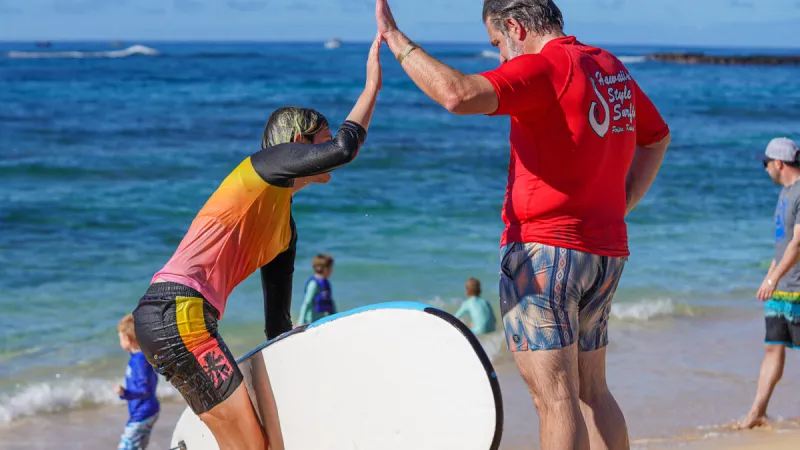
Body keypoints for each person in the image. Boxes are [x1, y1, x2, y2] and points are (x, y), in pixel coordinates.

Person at [374, 1, 671, 449]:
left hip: (542, 252)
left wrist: (395, 38)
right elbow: (656, 136)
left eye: (497, 44)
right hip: (606, 251)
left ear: (514, 26)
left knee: (554, 398)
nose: (499, 57)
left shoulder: (545, 67)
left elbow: (457, 93)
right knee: (594, 391)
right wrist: (623, 201)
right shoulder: (608, 66)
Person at [132, 35, 383, 450]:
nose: (327, 147)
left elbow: (277, 325)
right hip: (179, 314)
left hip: (171, 319)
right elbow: (345, 148)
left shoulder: (284, 230)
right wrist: (372, 88)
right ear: (297, 144)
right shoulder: (263, 167)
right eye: (321, 136)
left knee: (250, 445)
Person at [738, 137, 800, 429]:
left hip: (797, 289)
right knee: (773, 347)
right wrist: (770, 275)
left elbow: (799, 244)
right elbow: (784, 243)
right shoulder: (785, 193)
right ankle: (756, 413)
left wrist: (774, 278)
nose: (765, 170)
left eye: (766, 163)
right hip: (781, 288)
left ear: (779, 163)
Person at [114, 314, 160, 450]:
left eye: (121, 337)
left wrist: (124, 393)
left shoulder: (140, 361)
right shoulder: (140, 357)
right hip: (148, 410)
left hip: (142, 413)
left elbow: (144, 390)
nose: (120, 341)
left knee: (125, 447)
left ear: (128, 340)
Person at [298, 253, 337, 325]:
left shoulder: (326, 283)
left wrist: (336, 316)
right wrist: (300, 322)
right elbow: (307, 303)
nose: (332, 271)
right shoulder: (313, 284)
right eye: (331, 268)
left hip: (322, 319)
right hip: (311, 321)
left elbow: (330, 302)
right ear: (325, 269)